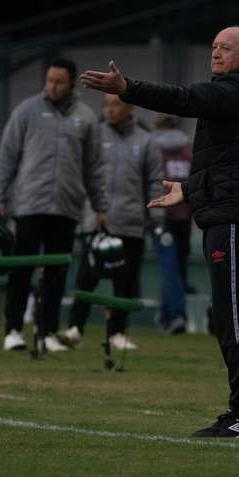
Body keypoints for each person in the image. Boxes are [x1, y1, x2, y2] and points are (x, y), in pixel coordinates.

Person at [81, 26, 239, 438]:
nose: (216, 53)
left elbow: (185, 99)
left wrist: (128, 87)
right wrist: (189, 189)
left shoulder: (237, 90)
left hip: (235, 220)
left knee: (235, 318)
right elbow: (237, 166)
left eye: (226, 48)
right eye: (213, 47)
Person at [0, 58, 106, 353]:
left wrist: (100, 206)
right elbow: (7, 156)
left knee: (57, 273)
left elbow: (93, 167)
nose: (53, 86)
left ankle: (47, 331)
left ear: (71, 84)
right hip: (30, 203)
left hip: (67, 207)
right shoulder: (26, 111)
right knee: (22, 269)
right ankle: (13, 329)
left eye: (59, 82)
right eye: (49, 80)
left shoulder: (87, 118)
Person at [62, 95, 164, 350]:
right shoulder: (94, 136)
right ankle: (75, 328)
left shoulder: (146, 142)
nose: (110, 109)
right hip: (97, 221)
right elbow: (80, 174)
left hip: (131, 223)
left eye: (116, 104)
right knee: (87, 277)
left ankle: (117, 332)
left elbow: (154, 183)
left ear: (130, 107)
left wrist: (157, 219)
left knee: (125, 281)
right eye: (106, 104)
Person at [151, 114, 196, 295]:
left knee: (167, 264)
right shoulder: (189, 149)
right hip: (185, 212)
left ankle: (173, 308)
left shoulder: (154, 148)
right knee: (181, 259)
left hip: (163, 214)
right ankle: (179, 298)